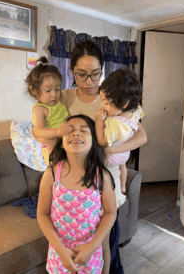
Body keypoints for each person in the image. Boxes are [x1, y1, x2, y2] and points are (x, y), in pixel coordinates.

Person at [33, 40, 147, 274]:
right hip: (73, 185)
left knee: (108, 249)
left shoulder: (113, 95)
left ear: (102, 70)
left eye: (95, 74)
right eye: (81, 75)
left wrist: (112, 150)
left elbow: (141, 135)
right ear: (71, 71)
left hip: (104, 183)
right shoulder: (62, 97)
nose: (89, 82)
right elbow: (39, 128)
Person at [37, 115, 117, 274]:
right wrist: (61, 250)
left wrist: (92, 246)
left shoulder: (102, 177)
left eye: (83, 130)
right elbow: (42, 213)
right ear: (61, 139)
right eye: (70, 130)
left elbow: (110, 212)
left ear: (94, 140)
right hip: (59, 254)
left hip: (90, 252)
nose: (76, 133)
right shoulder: (51, 174)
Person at [95, 68, 144, 197]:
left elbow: (102, 141)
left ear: (123, 104)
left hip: (111, 157)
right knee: (123, 167)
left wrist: (99, 121)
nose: (102, 105)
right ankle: (122, 186)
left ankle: (113, 189)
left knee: (103, 172)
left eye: (106, 102)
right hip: (124, 154)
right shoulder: (134, 111)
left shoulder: (115, 124)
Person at [25, 56, 71, 164]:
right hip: (52, 150)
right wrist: (58, 131)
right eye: (48, 90)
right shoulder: (40, 109)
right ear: (34, 90)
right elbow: (39, 130)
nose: (54, 95)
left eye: (57, 89)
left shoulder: (59, 102)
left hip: (64, 144)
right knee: (58, 171)